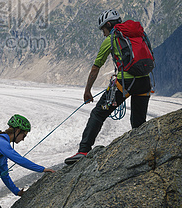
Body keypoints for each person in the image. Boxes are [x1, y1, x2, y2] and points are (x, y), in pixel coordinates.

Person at [65, 9, 152, 165]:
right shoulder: (138, 34)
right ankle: (142, 153)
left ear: (109, 25)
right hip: (144, 82)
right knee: (138, 122)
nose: (103, 34)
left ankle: (83, 150)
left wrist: (87, 91)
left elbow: (95, 68)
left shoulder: (111, 39)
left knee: (98, 114)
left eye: (103, 30)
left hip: (124, 84)